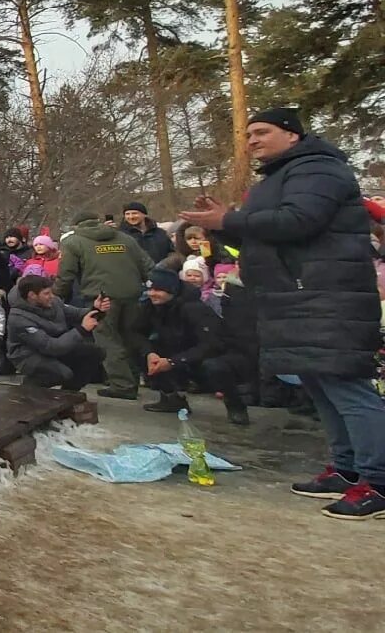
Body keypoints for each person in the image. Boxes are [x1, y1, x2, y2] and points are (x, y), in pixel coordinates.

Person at [180, 107, 385, 520]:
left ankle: (378, 481)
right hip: (294, 296)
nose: (252, 140)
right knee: (321, 385)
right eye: (249, 134)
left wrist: (232, 217)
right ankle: (347, 470)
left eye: (262, 132)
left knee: (347, 388)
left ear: (292, 134)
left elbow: (300, 221)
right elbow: (262, 233)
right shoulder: (278, 178)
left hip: (326, 295)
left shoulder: (318, 169)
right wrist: (221, 224)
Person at [55, 209, 154, 399]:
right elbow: (147, 265)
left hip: (101, 297)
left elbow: (66, 274)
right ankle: (136, 379)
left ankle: (122, 385)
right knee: (130, 336)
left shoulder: (73, 242)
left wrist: (55, 296)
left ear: (75, 226)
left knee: (107, 339)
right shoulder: (125, 238)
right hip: (133, 294)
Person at [137, 266, 249, 425]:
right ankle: (170, 397)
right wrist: (149, 353)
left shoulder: (194, 308)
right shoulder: (151, 306)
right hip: (177, 352)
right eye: (150, 289)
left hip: (213, 355)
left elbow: (213, 344)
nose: (152, 294)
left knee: (214, 367)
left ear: (172, 290)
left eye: (158, 290)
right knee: (142, 350)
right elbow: (136, 332)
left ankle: (235, 405)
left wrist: (174, 361)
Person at [6, 274, 107, 390]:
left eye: (51, 292)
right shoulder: (18, 318)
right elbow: (50, 346)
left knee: (94, 353)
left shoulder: (54, 302)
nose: (52, 297)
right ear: (32, 296)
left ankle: (69, 395)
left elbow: (77, 314)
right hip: (28, 355)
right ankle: (28, 391)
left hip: (56, 345)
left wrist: (96, 310)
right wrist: (82, 330)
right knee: (63, 373)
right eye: (46, 294)